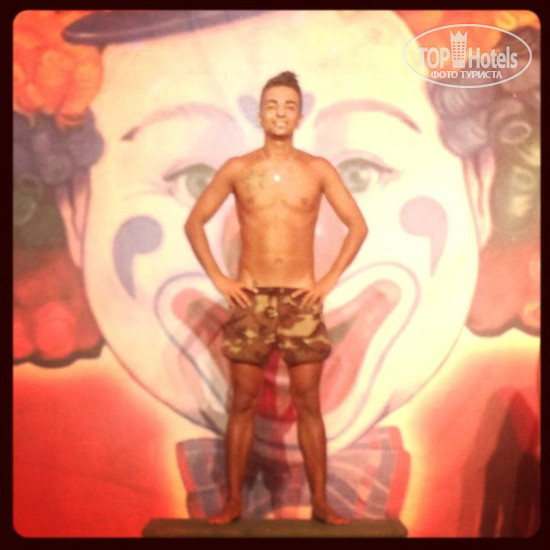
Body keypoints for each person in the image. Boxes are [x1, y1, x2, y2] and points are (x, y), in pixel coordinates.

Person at [184, 71, 368, 524]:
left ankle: (320, 502)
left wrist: (327, 281)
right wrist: (220, 279)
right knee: (243, 403)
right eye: (272, 105)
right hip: (251, 302)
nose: (280, 113)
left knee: (309, 404)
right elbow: (194, 222)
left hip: (301, 303)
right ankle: (233, 503)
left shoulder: (317, 169)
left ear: (299, 116)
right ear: (260, 114)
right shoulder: (238, 169)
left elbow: (358, 226)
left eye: (289, 106)